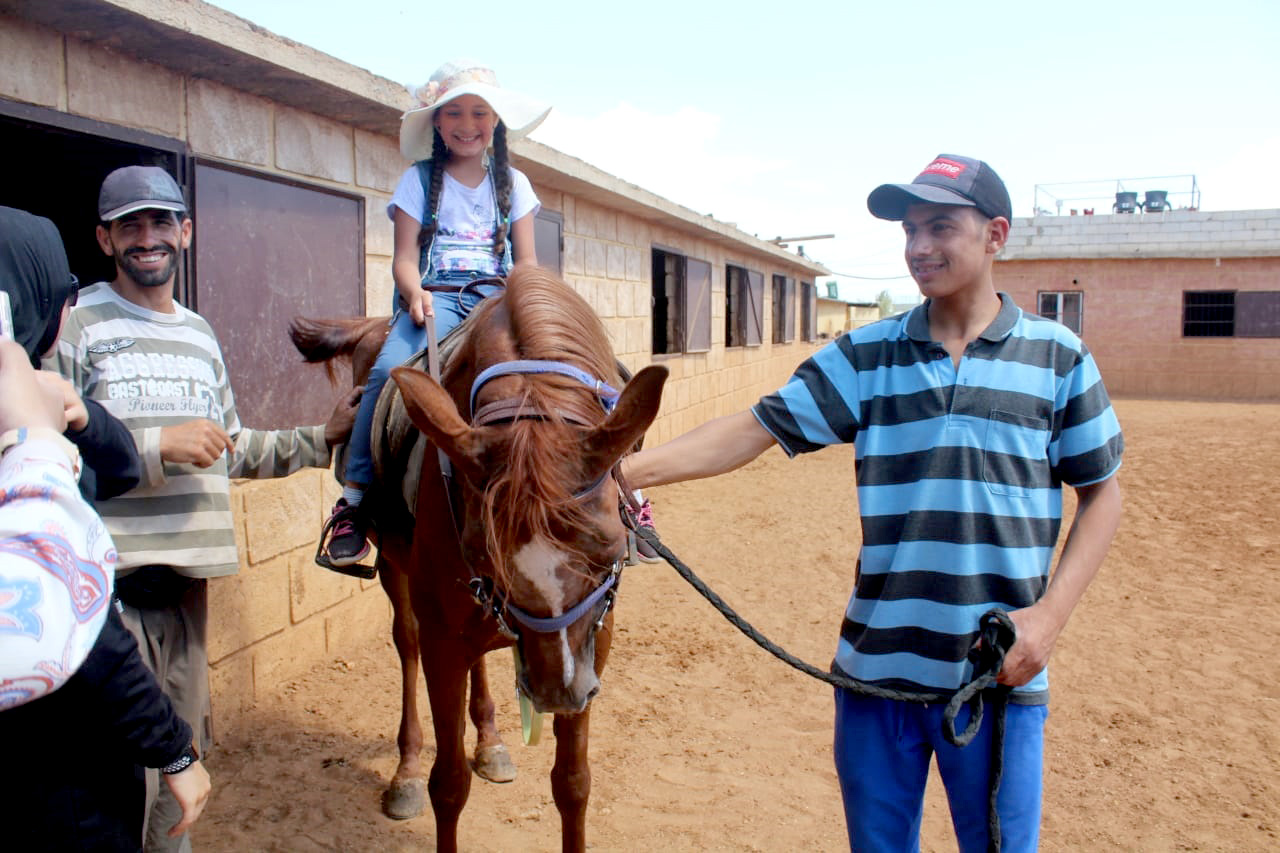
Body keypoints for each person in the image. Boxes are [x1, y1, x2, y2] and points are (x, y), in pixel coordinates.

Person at [622, 155, 1124, 851]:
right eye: (910, 230)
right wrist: (620, 472)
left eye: (940, 226)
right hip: (874, 679)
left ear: (995, 235)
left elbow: (1102, 495)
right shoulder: (865, 357)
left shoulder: (1058, 358)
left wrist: (1048, 620)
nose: (919, 247)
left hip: (995, 680)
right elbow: (752, 429)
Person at [45, 165, 359, 853]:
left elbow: (231, 448)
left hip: (187, 595)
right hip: (109, 599)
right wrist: (157, 445)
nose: (147, 238)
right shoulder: (79, 324)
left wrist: (321, 437)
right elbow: (47, 454)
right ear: (104, 239)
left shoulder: (199, 333)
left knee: (179, 772)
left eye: (161, 222)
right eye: (130, 225)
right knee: (121, 779)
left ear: (185, 232)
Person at [318, 59, 550, 570]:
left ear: (495, 121)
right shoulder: (417, 181)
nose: (468, 124)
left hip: (498, 300)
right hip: (437, 296)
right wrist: (414, 292)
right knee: (387, 371)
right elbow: (404, 258)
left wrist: (528, 302)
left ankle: (619, 492)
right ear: (438, 122)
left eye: (479, 112)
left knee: (567, 369)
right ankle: (353, 501)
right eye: (455, 113)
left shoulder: (516, 183)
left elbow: (527, 262)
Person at [0, 333, 211, 850]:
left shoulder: (196, 337)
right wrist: (34, 441)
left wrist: (80, 422)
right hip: (62, 783)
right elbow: (72, 616)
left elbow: (118, 464)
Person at [0, 205, 142, 502]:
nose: (69, 306)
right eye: (67, 290)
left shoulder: (46, 391)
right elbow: (113, 477)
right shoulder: (31, 401)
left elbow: (125, 469)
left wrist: (86, 417)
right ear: (36, 297)